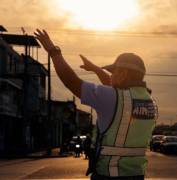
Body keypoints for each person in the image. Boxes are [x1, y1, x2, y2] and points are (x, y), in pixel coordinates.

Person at [34, 29, 157, 180]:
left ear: (124, 74)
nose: (111, 77)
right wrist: (96, 69)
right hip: (136, 175)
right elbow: (116, 91)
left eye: (114, 72)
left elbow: (71, 81)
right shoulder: (149, 101)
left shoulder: (114, 98)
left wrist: (54, 51)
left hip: (109, 174)